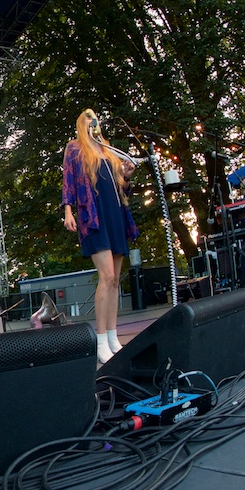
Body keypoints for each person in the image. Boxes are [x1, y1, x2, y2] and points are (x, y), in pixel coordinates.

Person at [62, 109, 139, 364]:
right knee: (105, 277)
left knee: (116, 279)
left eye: (94, 117)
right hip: (92, 217)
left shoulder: (108, 150)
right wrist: (68, 211)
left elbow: (121, 185)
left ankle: (114, 337)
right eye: (86, 117)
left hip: (114, 214)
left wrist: (126, 174)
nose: (92, 120)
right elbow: (68, 181)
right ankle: (101, 339)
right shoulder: (75, 148)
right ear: (80, 123)